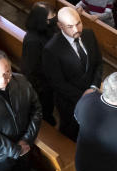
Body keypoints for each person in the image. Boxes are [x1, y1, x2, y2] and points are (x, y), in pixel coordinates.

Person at [42, 7, 103, 140]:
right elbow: (57, 83)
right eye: (70, 26)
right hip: (69, 102)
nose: (76, 30)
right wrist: (83, 96)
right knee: (72, 134)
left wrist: (93, 87)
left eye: (78, 23)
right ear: (60, 26)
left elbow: (98, 63)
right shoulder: (52, 49)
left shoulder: (89, 34)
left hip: (92, 94)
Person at [21, 2, 57, 126]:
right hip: (42, 85)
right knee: (45, 107)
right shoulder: (33, 41)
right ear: (42, 20)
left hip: (50, 78)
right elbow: (30, 69)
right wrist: (43, 87)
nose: (54, 20)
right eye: (51, 18)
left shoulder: (45, 29)